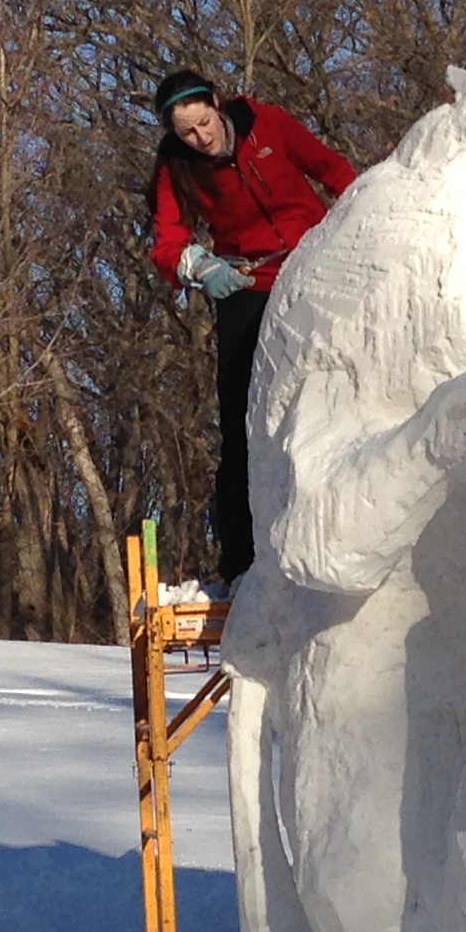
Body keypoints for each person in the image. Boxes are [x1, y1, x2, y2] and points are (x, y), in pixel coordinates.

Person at [146, 67, 357, 577]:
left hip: (316, 264)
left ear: (217, 104)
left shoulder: (269, 124)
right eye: (187, 133)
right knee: (242, 416)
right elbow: (166, 242)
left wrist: (361, 223)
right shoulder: (175, 167)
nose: (201, 138)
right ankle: (242, 564)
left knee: (342, 389)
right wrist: (197, 266)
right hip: (248, 282)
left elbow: (334, 171)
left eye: (204, 123)